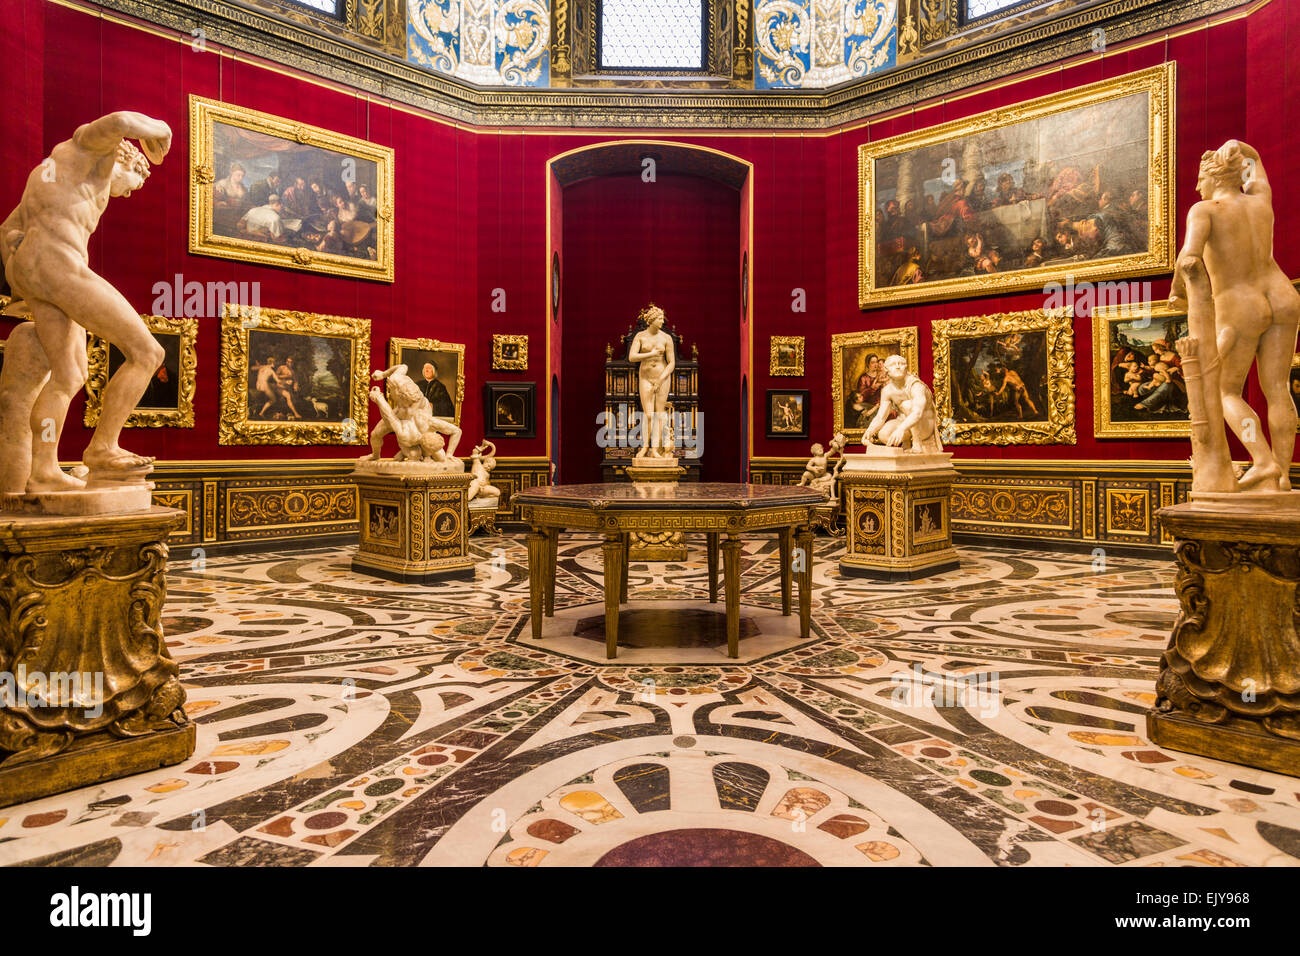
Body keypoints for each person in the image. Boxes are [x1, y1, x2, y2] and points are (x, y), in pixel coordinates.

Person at [0, 111, 172, 492]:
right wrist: (162, 130)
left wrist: (18, 270)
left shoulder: (54, 173)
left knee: (68, 375)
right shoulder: (88, 150)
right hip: (58, 264)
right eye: (134, 183)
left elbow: (8, 230)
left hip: (38, 268)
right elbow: (119, 121)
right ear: (126, 160)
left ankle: (43, 471)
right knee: (148, 353)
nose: (129, 193)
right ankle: (102, 448)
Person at [1169, 139, 1300, 491]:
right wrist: (1237, 146)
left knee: (1225, 390)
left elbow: (1189, 258)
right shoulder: (1261, 201)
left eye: (1199, 180)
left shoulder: (1204, 210)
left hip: (1239, 302)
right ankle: (1284, 477)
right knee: (1277, 388)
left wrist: (1177, 292)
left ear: (1212, 180)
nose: (1197, 186)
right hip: (1283, 296)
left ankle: (1263, 461)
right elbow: (1255, 160)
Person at [863, 354, 942, 452]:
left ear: (906, 367)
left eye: (901, 364)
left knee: (907, 405)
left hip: (924, 427)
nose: (897, 366)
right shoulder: (888, 390)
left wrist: (901, 429)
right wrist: (870, 430)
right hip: (905, 424)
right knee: (883, 434)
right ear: (887, 370)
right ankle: (907, 444)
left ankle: (917, 444)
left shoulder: (916, 386)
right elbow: (880, 417)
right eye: (893, 364)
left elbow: (917, 413)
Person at [627, 305, 676, 458]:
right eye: (660, 318)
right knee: (648, 415)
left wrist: (661, 379)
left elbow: (672, 363)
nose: (662, 321)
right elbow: (632, 357)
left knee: (659, 414)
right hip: (645, 377)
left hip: (662, 378)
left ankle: (655, 449)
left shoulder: (666, 338)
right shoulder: (641, 336)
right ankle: (645, 446)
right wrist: (652, 354)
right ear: (652, 320)